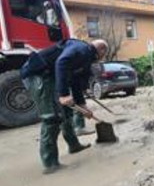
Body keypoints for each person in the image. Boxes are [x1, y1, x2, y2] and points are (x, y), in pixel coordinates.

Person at [21, 39, 108, 174]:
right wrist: (63, 94)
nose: (102, 57)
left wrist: (82, 106)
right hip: (38, 76)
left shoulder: (85, 58)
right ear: (101, 50)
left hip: (50, 76)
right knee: (51, 118)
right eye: (104, 53)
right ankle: (50, 163)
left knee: (67, 112)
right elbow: (61, 62)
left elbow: (75, 82)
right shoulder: (82, 49)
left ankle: (74, 146)